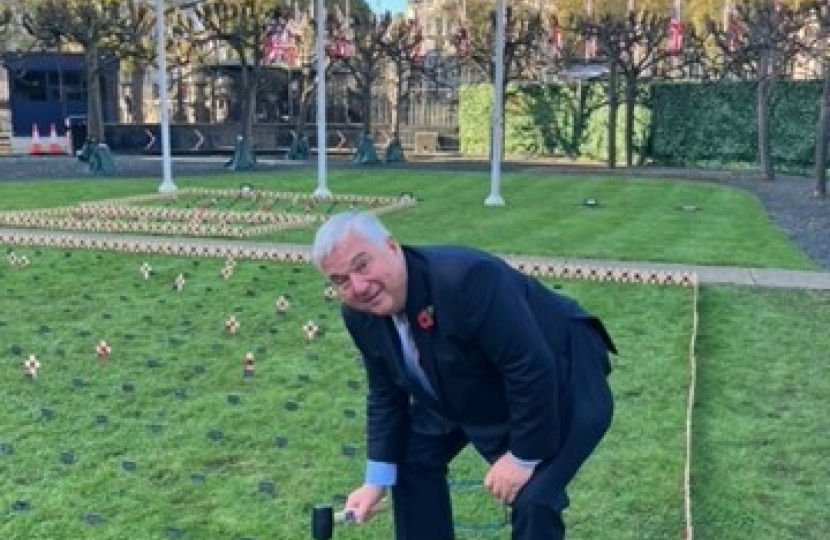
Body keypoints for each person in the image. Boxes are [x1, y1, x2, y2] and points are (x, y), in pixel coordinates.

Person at [311, 211, 616, 540]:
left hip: (563, 372)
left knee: (534, 497)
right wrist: (377, 479)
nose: (357, 286)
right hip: (464, 378)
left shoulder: (465, 278)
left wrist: (522, 457)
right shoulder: (359, 315)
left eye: (362, 265)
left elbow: (529, 367)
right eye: (341, 280)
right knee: (410, 459)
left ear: (392, 246)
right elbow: (386, 393)